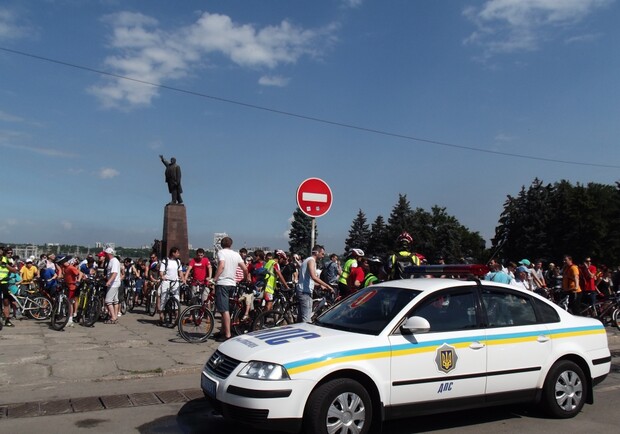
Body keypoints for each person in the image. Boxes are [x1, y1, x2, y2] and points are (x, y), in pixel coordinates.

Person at [213, 237, 248, 342]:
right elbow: (245, 268)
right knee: (228, 308)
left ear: (221, 244)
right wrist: (245, 279)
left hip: (223, 283)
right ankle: (223, 331)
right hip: (232, 284)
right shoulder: (236, 254)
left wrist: (215, 278)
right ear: (231, 244)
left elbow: (222, 265)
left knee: (224, 310)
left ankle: (227, 334)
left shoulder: (221, 253)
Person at [297, 245, 331, 323]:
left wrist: (319, 285)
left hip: (301, 290)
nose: (323, 256)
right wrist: (327, 285)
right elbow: (314, 277)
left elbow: (307, 279)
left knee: (300, 318)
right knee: (307, 319)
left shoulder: (306, 260)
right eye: (322, 254)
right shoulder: (311, 261)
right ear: (316, 253)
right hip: (305, 292)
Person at [159, 247, 186, 325]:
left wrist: (183, 279)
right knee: (164, 298)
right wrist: (162, 276)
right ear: (173, 253)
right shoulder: (165, 261)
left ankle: (177, 318)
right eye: (177, 253)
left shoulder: (178, 261)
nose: (179, 254)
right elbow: (161, 271)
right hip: (166, 281)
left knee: (176, 298)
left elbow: (180, 271)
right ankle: (161, 316)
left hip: (175, 281)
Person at [60, 257, 81, 327]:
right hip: (68, 286)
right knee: (69, 302)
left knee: (70, 303)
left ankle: (70, 320)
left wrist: (78, 281)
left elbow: (79, 273)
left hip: (72, 286)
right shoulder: (65, 268)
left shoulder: (71, 267)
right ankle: (70, 318)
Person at [1, 246, 19, 327]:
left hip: (5, 282)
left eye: (11, 253)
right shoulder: (2, 258)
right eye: (9, 253)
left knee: (6, 302)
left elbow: (13, 269)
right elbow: (10, 268)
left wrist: (9, 266)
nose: (10, 254)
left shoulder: (9, 260)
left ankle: (7, 320)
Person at [104, 248, 122, 323]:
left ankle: (113, 317)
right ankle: (114, 315)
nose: (105, 255)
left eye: (105, 254)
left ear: (108, 254)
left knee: (108, 301)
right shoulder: (112, 261)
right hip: (115, 283)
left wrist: (109, 281)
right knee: (115, 301)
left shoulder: (114, 261)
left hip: (113, 283)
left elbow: (114, 273)